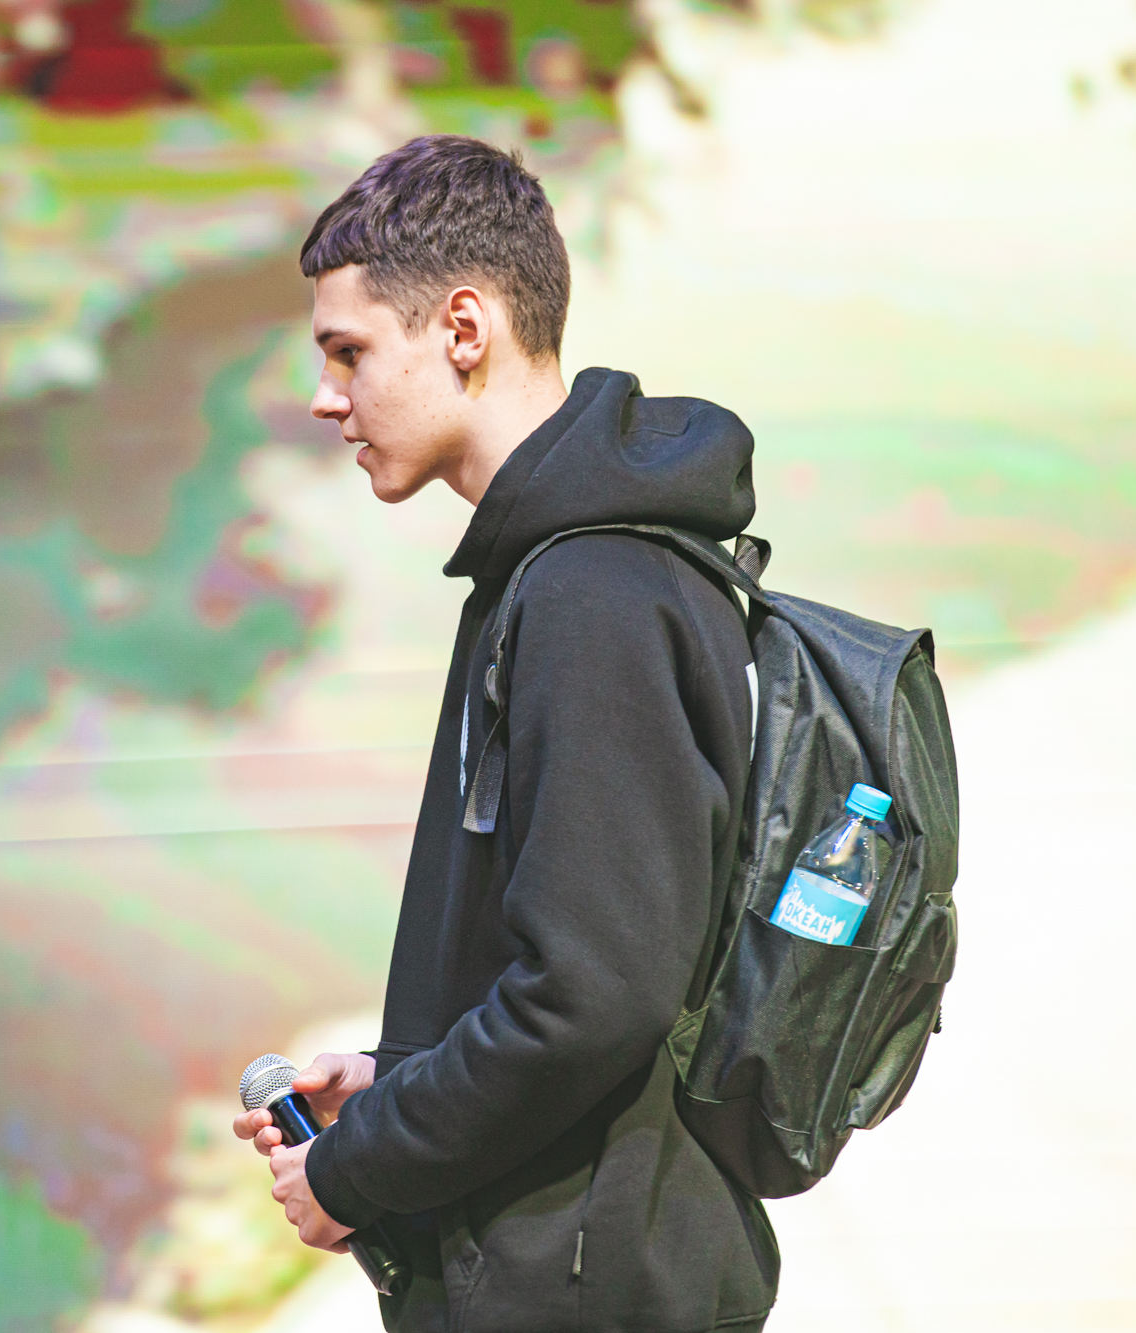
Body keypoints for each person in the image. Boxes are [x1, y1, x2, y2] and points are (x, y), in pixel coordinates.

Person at [233, 134, 777, 1333]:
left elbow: (591, 996)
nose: (324, 396)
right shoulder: (552, 576)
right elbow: (575, 959)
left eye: (347, 350)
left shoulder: (591, 593)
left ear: (463, 328)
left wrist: (355, 1167)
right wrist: (397, 1080)